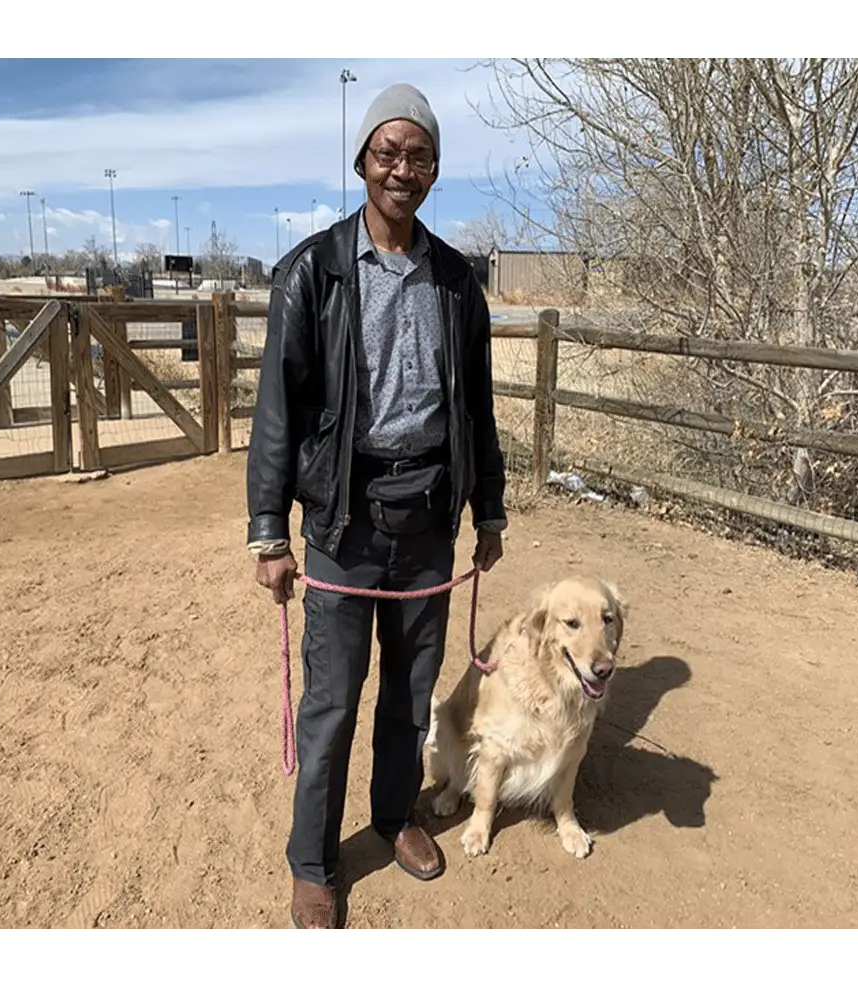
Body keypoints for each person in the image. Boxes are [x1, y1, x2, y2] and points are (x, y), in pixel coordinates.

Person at [246, 82, 508, 932]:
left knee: (411, 694)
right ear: (362, 161)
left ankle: (395, 818)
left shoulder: (458, 284)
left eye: (419, 154)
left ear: (435, 170)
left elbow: (477, 409)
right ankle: (315, 864)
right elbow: (279, 412)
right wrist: (268, 532)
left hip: (430, 515)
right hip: (343, 521)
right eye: (388, 152)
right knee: (332, 700)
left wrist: (490, 509)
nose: (403, 168)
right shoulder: (313, 273)